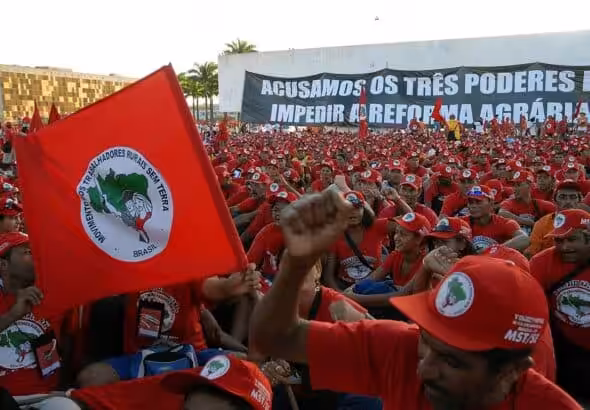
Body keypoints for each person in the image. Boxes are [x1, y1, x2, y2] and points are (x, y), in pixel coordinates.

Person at [250, 190, 581, 410]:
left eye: (452, 361)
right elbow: (274, 336)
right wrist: (298, 263)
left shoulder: (544, 403)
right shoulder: (403, 350)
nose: (424, 369)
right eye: (427, 340)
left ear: (511, 373)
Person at [0, 232, 81, 409]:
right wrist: (13, 314)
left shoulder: (55, 296)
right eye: (27, 252)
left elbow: (70, 345)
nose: (36, 256)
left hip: (46, 396)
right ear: (3, 265)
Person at [530, 209, 590, 402]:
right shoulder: (542, 262)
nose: (564, 247)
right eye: (559, 240)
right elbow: (532, 308)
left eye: (572, 239)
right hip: (564, 346)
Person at [323, 191, 399, 290]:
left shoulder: (376, 226)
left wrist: (397, 200)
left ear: (364, 210)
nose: (352, 212)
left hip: (374, 285)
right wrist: (341, 296)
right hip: (346, 285)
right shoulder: (335, 235)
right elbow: (328, 276)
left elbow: (411, 223)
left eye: (357, 208)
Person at [461, 185, 530, 253]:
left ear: (491, 204)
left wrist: (493, 250)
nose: (473, 206)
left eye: (478, 202)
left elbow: (525, 239)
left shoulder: (504, 223)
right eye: (470, 202)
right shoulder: (461, 223)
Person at [525, 180, 585, 257]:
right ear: (554, 200)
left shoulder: (587, 222)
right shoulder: (542, 224)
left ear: (580, 201)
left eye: (573, 197)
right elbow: (532, 255)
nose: (568, 201)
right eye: (562, 197)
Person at [498, 171, 556, 236]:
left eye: (519, 185)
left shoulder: (539, 204)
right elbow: (501, 213)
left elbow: (558, 214)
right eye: (514, 185)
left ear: (530, 185)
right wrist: (528, 222)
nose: (515, 188)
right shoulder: (509, 202)